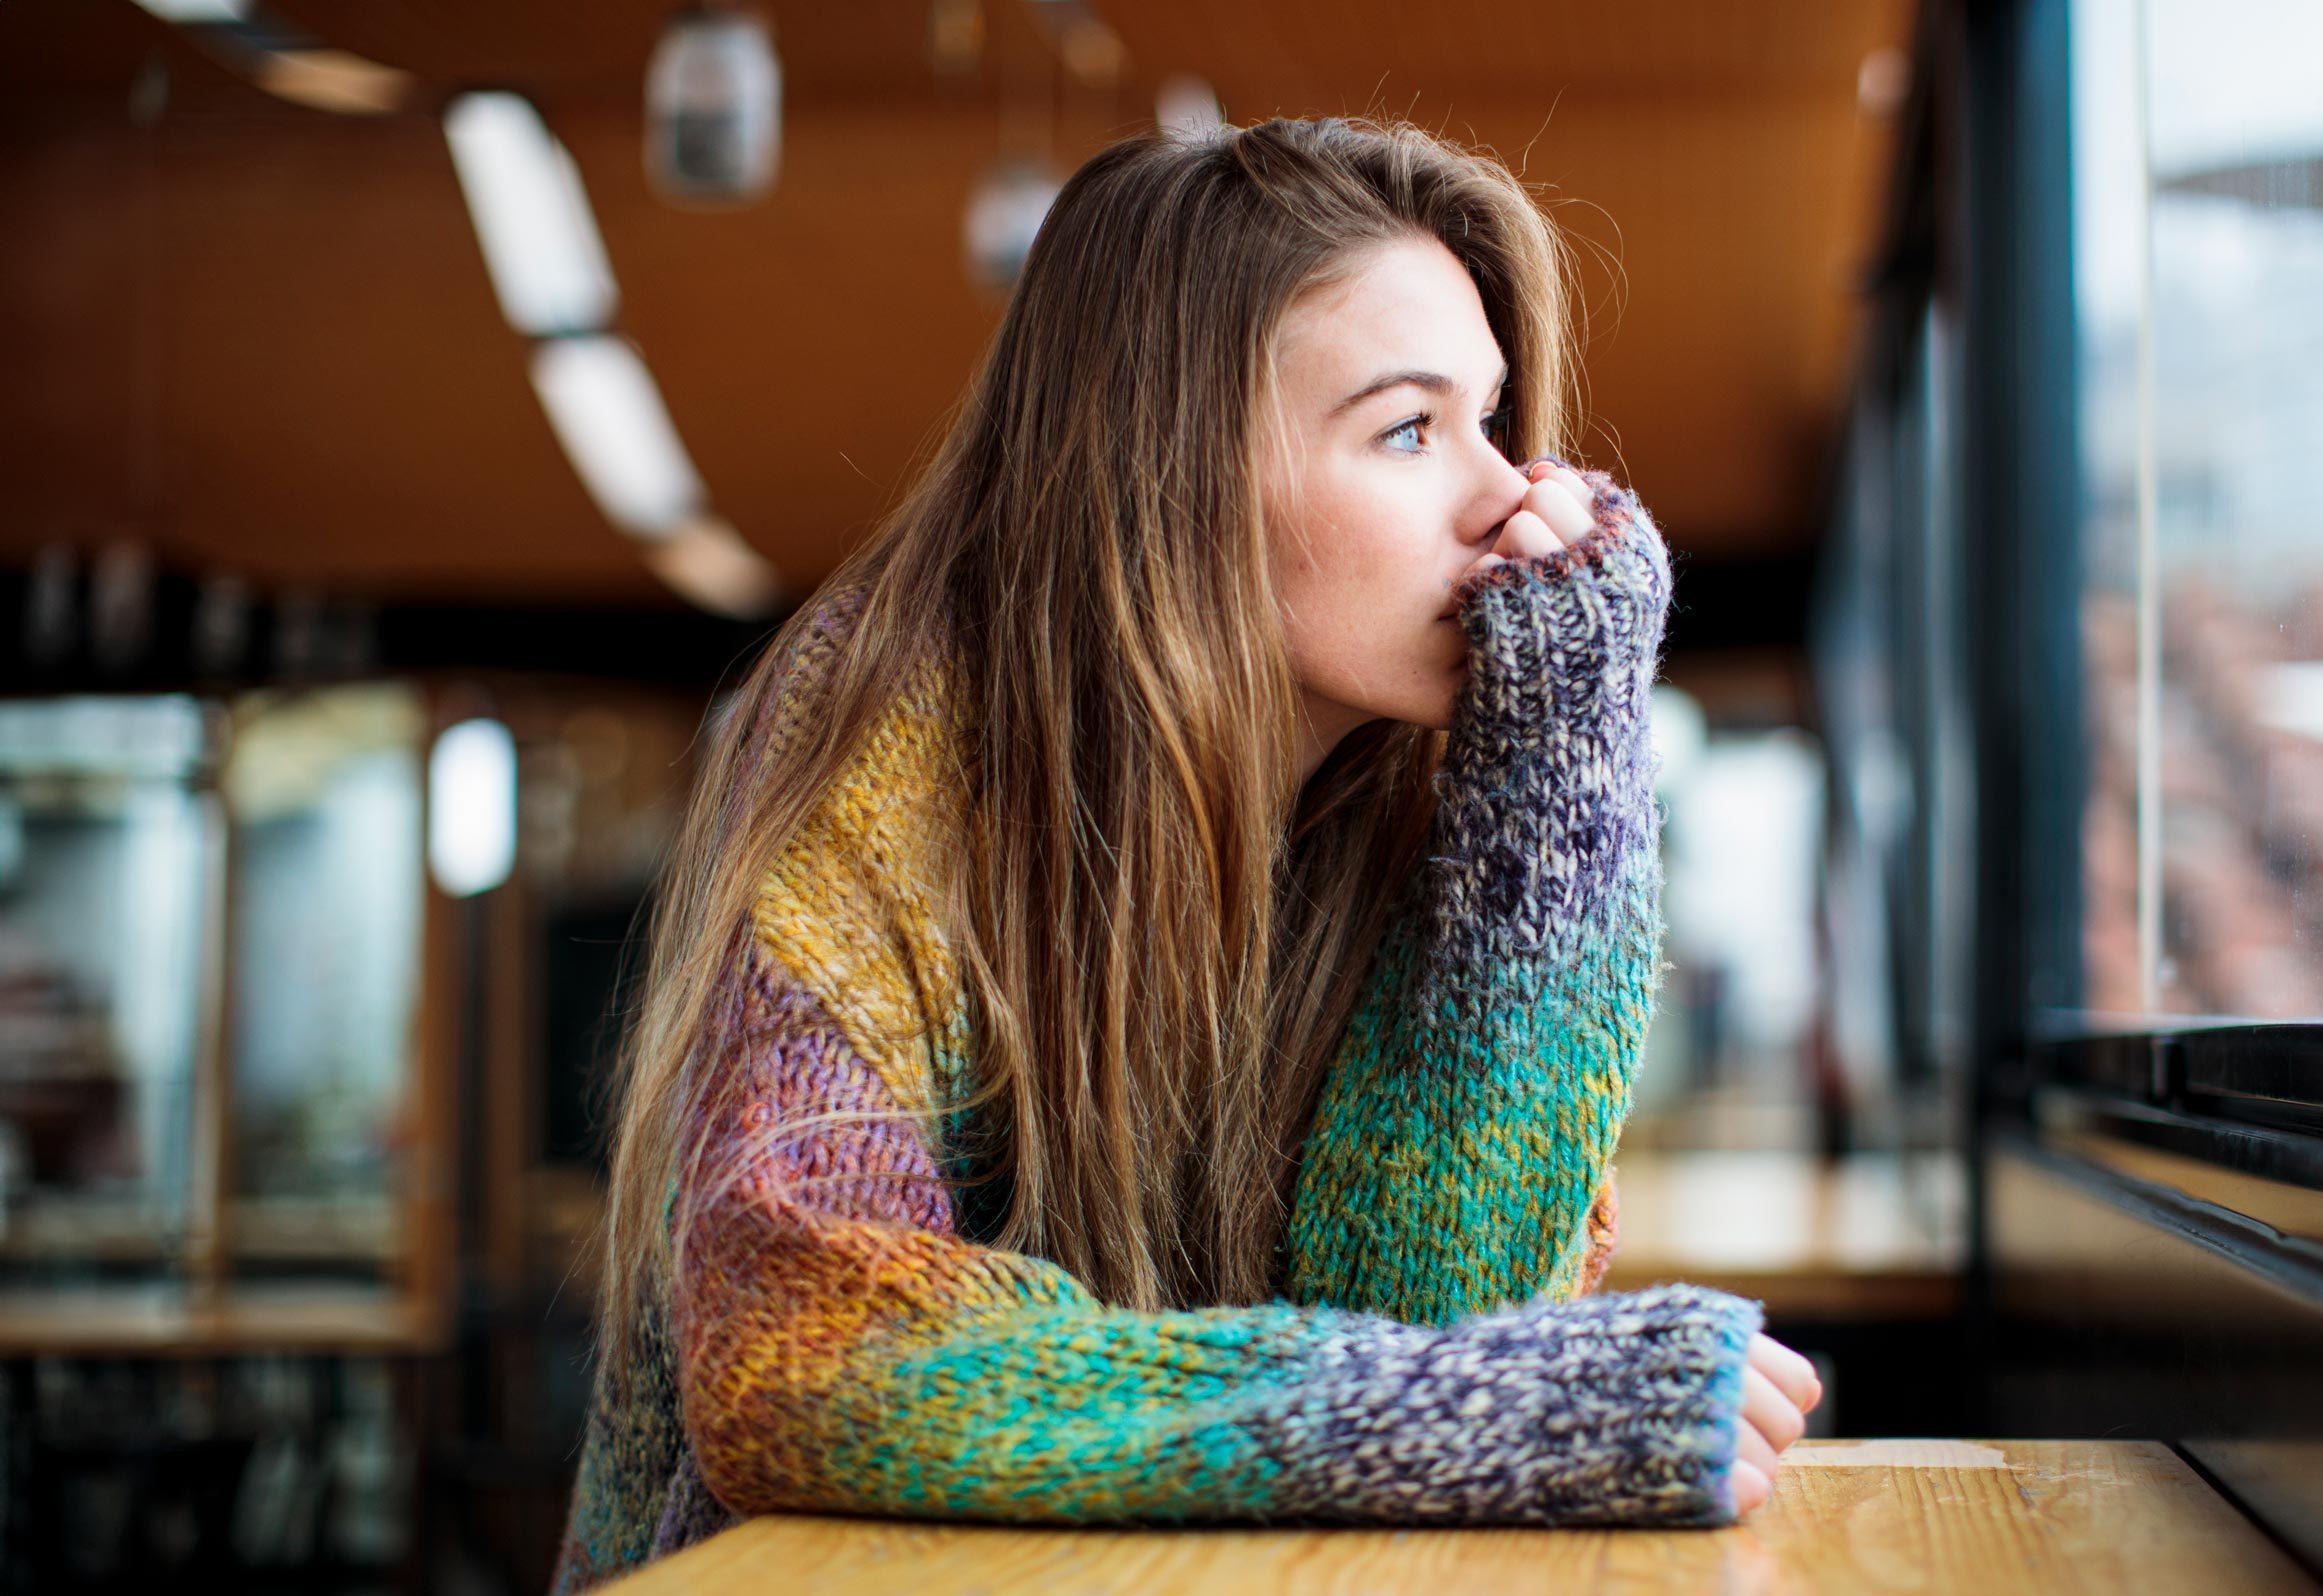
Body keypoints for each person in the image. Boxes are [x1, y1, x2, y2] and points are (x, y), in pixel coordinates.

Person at [549, 112, 1821, 1595]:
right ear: (1178, 477)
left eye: (1490, 421)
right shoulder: (885, 744)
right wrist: (1513, 1407)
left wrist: (1560, 760)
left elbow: (1426, 1312)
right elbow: (814, 1351)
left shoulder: (1401, 796)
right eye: (1410, 431)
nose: (1507, 500)